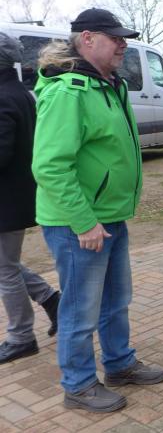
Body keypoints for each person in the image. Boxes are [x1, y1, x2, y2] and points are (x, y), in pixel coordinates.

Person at [32, 8, 163, 413]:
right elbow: (50, 166)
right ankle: (78, 385)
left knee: (115, 299)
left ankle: (119, 364)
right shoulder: (68, 91)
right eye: (116, 38)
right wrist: (84, 222)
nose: (123, 45)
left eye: (124, 38)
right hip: (78, 223)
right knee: (80, 308)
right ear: (88, 38)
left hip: (108, 215)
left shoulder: (107, 85)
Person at [0, 33, 60, 365]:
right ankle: (51, 299)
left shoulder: (4, 97)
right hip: (16, 197)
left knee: (5, 269)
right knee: (5, 264)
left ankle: (21, 336)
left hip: (7, 201)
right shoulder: (19, 92)